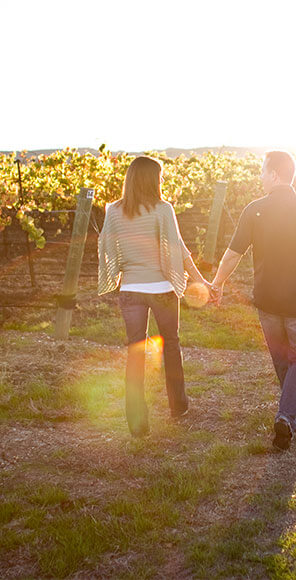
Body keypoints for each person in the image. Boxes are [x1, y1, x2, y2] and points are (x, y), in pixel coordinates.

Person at [211, 151, 296, 450]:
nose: (260, 177)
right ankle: (289, 416)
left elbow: (233, 254)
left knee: (282, 358)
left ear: (275, 175)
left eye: (263, 172)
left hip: (266, 300)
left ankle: (294, 414)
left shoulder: (254, 210)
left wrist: (217, 284)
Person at [98, 155, 209, 437]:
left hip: (130, 291)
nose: (162, 181)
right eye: (159, 176)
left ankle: (137, 422)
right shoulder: (163, 209)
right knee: (171, 345)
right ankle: (178, 407)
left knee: (135, 353)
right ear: (151, 179)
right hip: (161, 291)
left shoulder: (113, 211)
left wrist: (125, 270)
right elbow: (179, 250)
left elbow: (108, 249)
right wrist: (202, 281)